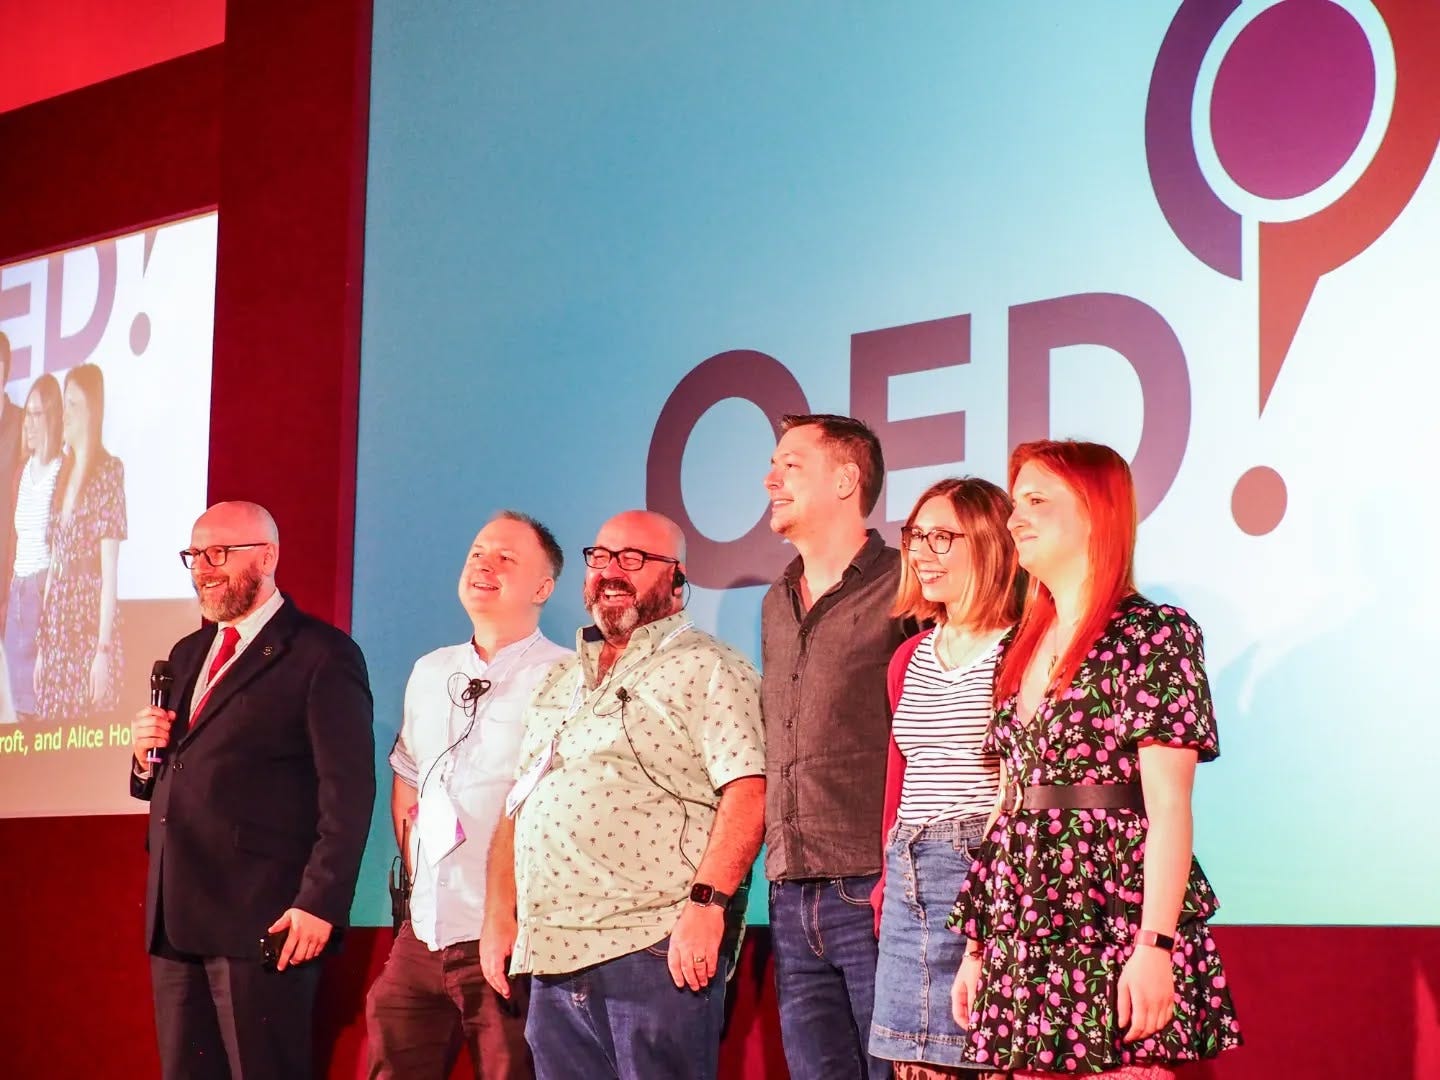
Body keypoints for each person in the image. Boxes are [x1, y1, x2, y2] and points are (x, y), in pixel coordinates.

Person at [948, 441, 1243, 1078]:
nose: (1014, 519)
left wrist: (1155, 945)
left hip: (1110, 918)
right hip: (1024, 923)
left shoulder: (1154, 633)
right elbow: (1008, 804)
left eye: (1036, 501)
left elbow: (1168, 808)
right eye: (1015, 503)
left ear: (1094, 513)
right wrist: (977, 948)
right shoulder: (1018, 646)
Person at [493, 509, 765, 1080]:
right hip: (552, 953)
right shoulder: (559, 679)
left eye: (634, 559)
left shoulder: (711, 666)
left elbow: (748, 790)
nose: (611, 571)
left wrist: (707, 905)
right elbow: (519, 803)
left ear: (677, 580)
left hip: (652, 947)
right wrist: (499, 914)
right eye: (601, 557)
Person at [130, 500, 376, 1080]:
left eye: (219, 553)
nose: (202, 568)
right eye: (194, 555)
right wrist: (143, 762)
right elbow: (178, 773)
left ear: (267, 557)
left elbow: (348, 794)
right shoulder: (188, 653)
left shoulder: (321, 654)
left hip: (263, 918)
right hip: (176, 915)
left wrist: (319, 902)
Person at [365, 511, 571, 1079]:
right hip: (424, 930)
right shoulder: (431, 670)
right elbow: (408, 777)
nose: (484, 564)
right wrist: (418, 882)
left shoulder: (566, 675)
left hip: (509, 934)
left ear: (542, 588)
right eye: (478, 552)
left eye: (506, 558)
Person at [760, 413, 915, 1080]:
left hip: (876, 885)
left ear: (847, 479)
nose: (771, 479)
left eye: (791, 465)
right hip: (790, 892)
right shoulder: (776, 599)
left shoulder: (907, 583)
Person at [869, 478, 1022, 1079]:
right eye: (915, 536)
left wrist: (998, 891)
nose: (920, 553)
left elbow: (1019, 781)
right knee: (911, 1062)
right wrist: (888, 879)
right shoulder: (909, 656)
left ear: (989, 543)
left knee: (980, 1056)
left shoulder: (1022, 649)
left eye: (942, 537)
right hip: (908, 867)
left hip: (978, 866)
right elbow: (900, 780)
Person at [35, 362, 125, 723]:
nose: (65, 414)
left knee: (85, 720)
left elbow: (109, 571)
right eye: (64, 404)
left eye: (73, 404)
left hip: (88, 620)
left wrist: (102, 650)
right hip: (57, 620)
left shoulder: (109, 471)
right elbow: (54, 562)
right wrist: (43, 645)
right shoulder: (61, 472)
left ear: (91, 411)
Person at [3, 374, 63, 721]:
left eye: (37, 414)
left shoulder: (62, 471)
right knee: (14, 706)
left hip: (44, 590)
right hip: (18, 592)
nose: (29, 422)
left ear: (53, 417)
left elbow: (61, 546)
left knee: (39, 703)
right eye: (27, 413)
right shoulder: (21, 473)